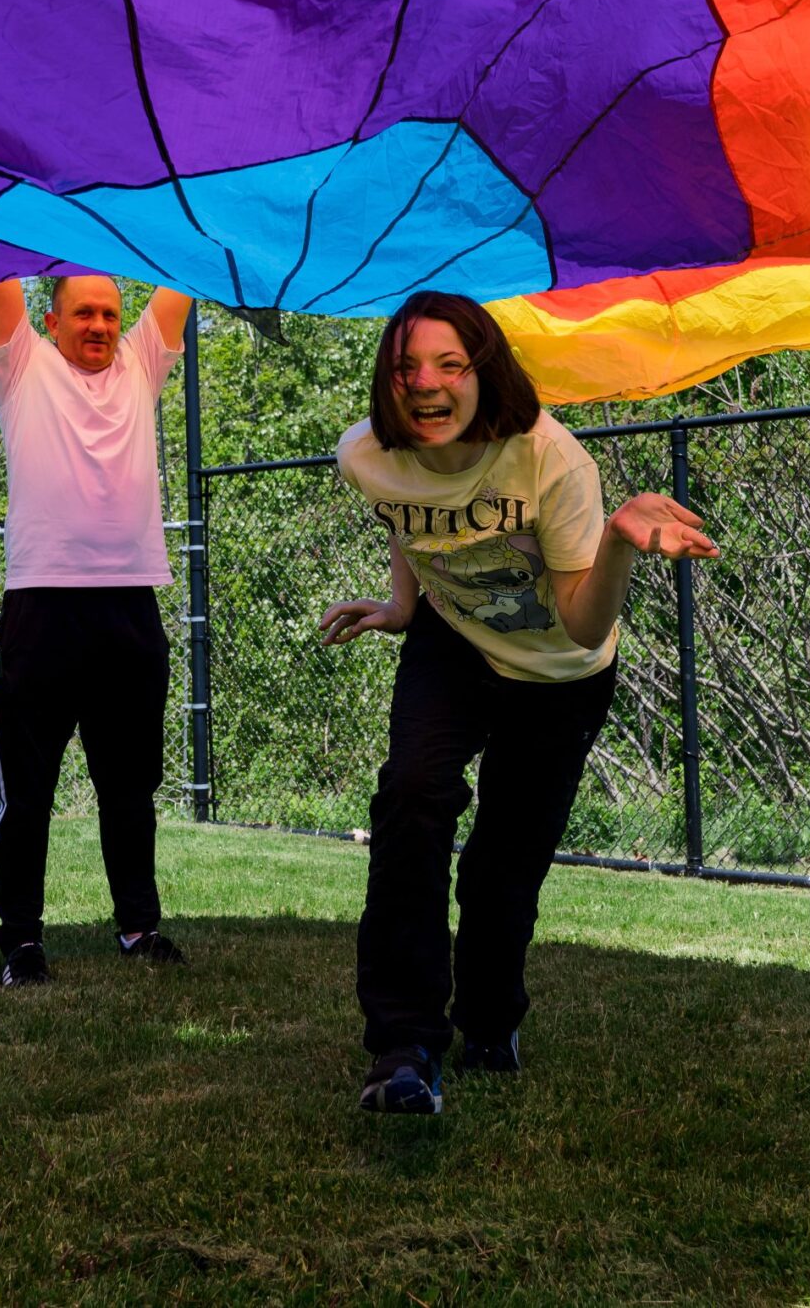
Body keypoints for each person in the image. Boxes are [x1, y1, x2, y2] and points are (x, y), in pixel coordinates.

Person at [318, 289, 719, 1113]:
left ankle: (491, 1020)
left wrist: (615, 540)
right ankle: (404, 1045)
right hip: (454, 641)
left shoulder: (550, 460)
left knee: (505, 860)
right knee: (412, 794)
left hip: (559, 670)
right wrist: (402, 607)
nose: (426, 383)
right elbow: (409, 517)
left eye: (450, 364)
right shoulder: (362, 455)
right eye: (406, 366)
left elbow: (580, 624)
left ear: (483, 370)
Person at [0, 273, 195, 988]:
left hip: (129, 610)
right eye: (83, 313)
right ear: (51, 317)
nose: (98, 325)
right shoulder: (23, 364)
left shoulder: (140, 365)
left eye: (109, 313)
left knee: (129, 786)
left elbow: (182, 267)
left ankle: (138, 926)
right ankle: (22, 943)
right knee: (29, 789)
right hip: (41, 609)